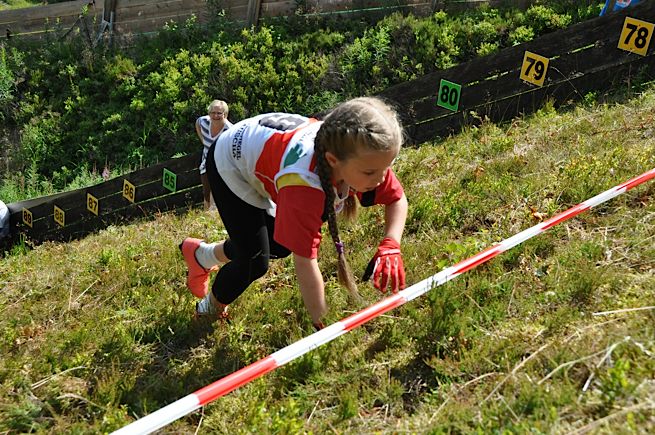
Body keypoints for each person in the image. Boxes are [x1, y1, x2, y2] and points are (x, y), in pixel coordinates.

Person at [180, 97, 408, 330]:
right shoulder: (304, 185)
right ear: (333, 161)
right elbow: (306, 262)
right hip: (229, 164)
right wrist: (324, 327)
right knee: (254, 261)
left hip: (262, 153)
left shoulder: (358, 153)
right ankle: (208, 309)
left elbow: (397, 199)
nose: (381, 179)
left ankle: (202, 256)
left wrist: (391, 244)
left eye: (386, 168)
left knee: (279, 245)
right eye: (371, 172)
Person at [196, 100, 233, 210]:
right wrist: (203, 141)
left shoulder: (230, 130)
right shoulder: (203, 122)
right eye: (213, 113)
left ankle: (215, 217)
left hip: (222, 166)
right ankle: (206, 218)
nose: (215, 116)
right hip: (205, 164)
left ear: (225, 115)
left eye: (219, 113)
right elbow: (197, 123)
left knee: (217, 194)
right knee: (206, 194)